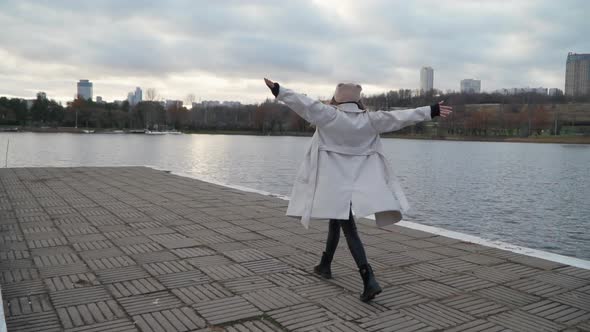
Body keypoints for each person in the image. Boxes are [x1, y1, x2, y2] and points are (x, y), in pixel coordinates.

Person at [263, 78, 452, 302]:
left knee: (348, 226)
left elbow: (303, 103)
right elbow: (401, 117)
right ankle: (325, 265)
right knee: (337, 219)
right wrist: (431, 110)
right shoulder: (370, 120)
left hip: (333, 182)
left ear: (336, 98)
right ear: (358, 100)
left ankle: (368, 277)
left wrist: (278, 90)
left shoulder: (328, 115)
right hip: (358, 182)